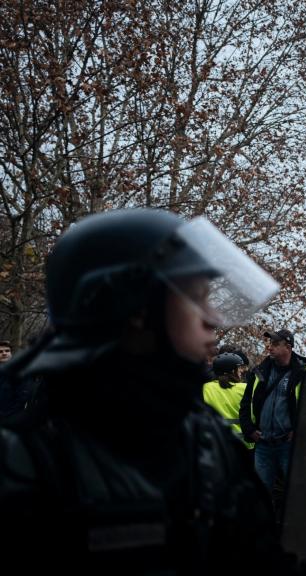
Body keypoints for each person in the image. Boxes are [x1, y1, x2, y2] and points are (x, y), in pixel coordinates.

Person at [0, 208, 289, 572]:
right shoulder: (22, 463)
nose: (213, 317)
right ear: (136, 309)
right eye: (197, 297)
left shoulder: (206, 439)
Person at [240, 329, 306, 497]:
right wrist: (249, 430)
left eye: (275, 344)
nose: (269, 347)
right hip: (263, 445)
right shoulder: (260, 371)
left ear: (289, 347)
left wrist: (299, 432)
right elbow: (245, 403)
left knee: (296, 493)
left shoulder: (304, 373)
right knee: (261, 495)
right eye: (269, 344)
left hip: (288, 446)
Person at [204, 352, 251, 447]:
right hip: (243, 445)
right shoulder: (245, 388)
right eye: (239, 368)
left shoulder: (205, 388)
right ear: (232, 371)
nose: (241, 371)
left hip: (215, 444)